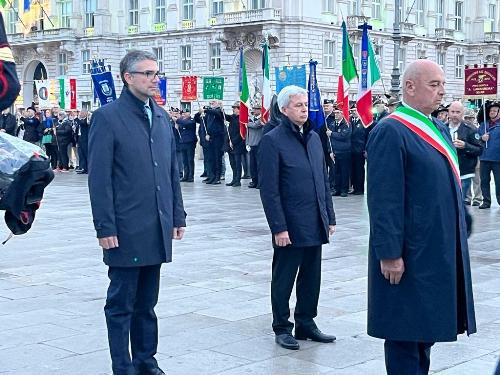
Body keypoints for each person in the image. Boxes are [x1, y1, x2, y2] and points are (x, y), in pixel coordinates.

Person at [366, 59, 476, 375]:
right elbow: (384, 199)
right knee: (404, 333)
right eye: (434, 85)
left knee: (424, 330)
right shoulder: (391, 130)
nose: (442, 92)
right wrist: (389, 254)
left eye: (442, 84)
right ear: (410, 86)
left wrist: (460, 220)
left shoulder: (437, 128)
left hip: (434, 250)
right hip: (408, 253)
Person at [88, 50, 186, 375]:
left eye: (156, 73)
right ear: (128, 77)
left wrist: (177, 214)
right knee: (121, 304)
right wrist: (105, 227)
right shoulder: (108, 117)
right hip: (125, 229)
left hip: (157, 225)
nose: (154, 79)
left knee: (147, 304)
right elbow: (99, 179)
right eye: (147, 73)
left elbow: (172, 170)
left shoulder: (160, 116)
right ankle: (123, 366)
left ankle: (146, 361)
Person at [259, 85, 336, 351]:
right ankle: (282, 327)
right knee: (284, 277)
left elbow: (322, 180)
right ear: (284, 109)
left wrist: (329, 216)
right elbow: (269, 191)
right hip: (290, 224)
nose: (304, 109)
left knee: (312, 276)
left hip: (315, 220)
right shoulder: (272, 140)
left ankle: (306, 322)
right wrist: (278, 227)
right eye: (298, 105)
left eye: (305, 104)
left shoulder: (313, 137)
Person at [447, 101, 482, 202]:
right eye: (452, 111)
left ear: (462, 113)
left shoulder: (470, 129)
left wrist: (465, 146)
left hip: (464, 171)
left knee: (459, 200)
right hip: (447, 170)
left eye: (457, 112)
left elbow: (479, 150)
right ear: (449, 112)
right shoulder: (442, 128)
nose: (454, 115)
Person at [478, 101, 500, 209]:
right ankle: (486, 201)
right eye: (491, 110)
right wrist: (482, 138)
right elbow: (476, 138)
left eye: (495, 111)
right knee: (484, 181)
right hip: (484, 157)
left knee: (499, 182)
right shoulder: (483, 125)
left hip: (497, 159)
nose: (492, 112)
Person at [329, 106, 352, 197]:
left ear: (343, 114)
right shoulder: (332, 124)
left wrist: (332, 134)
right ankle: (336, 189)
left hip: (344, 151)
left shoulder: (346, 124)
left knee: (344, 171)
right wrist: (330, 150)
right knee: (336, 172)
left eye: (338, 113)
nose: (336, 114)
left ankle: (344, 189)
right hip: (334, 151)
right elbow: (328, 139)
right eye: (335, 113)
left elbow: (344, 136)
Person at [464, 109, 483, 206]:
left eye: (470, 118)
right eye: (466, 118)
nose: (468, 120)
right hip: (465, 157)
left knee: (477, 179)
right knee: (466, 178)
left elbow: (479, 145)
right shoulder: (462, 129)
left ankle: (477, 198)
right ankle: (467, 197)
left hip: (475, 157)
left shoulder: (476, 130)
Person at [224, 102, 245, 187]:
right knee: (232, 163)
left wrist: (234, 141)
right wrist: (221, 109)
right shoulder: (233, 117)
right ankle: (234, 179)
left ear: (239, 109)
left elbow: (241, 133)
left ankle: (238, 180)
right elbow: (224, 116)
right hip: (230, 144)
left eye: (235, 108)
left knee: (237, 163)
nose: (233, 109)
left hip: (238, 144)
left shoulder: (242, 119)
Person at [349, 105, 367, 195]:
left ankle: (360, 189)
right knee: (352, 170)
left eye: (355, 110)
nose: (353, 112)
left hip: (360, 149)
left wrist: (366, 149)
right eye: (352, 110)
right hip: (351, 149)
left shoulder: (364, 121)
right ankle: (354, 187)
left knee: (359, 170)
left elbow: (366, 136)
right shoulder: (349, 120)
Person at [177, 109, 197, 182]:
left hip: (190, 142)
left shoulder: (191, 120)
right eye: (183, 113)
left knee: (190, 160)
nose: (184, 114)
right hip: (183, 142)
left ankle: (191, 176)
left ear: (189, 113)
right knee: (184, 160)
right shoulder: (182, 121)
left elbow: (186, 123)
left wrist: (177, 119)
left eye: (186, 112)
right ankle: (186, 175)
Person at [246, 103, 264, 188]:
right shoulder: (252, 119)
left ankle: (260, 182)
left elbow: (256, 125)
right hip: (252, 144)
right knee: (252, 165)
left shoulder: (262, 119)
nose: (254, 110)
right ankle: (254, 181)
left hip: (258, 144)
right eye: (254, 109)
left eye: (256, 109)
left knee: (258, 165)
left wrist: (246, 123)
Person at [75, 110, 90, 174]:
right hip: (79, 138)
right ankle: (83, 168)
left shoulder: (87, 120)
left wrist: (77, 118)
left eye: (82, 113)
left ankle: (88, 168)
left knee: (86, 154)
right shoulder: (80, 120)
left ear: (85, 113)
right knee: (81, 154)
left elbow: (83, 123)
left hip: (85, 139)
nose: (80, 114)